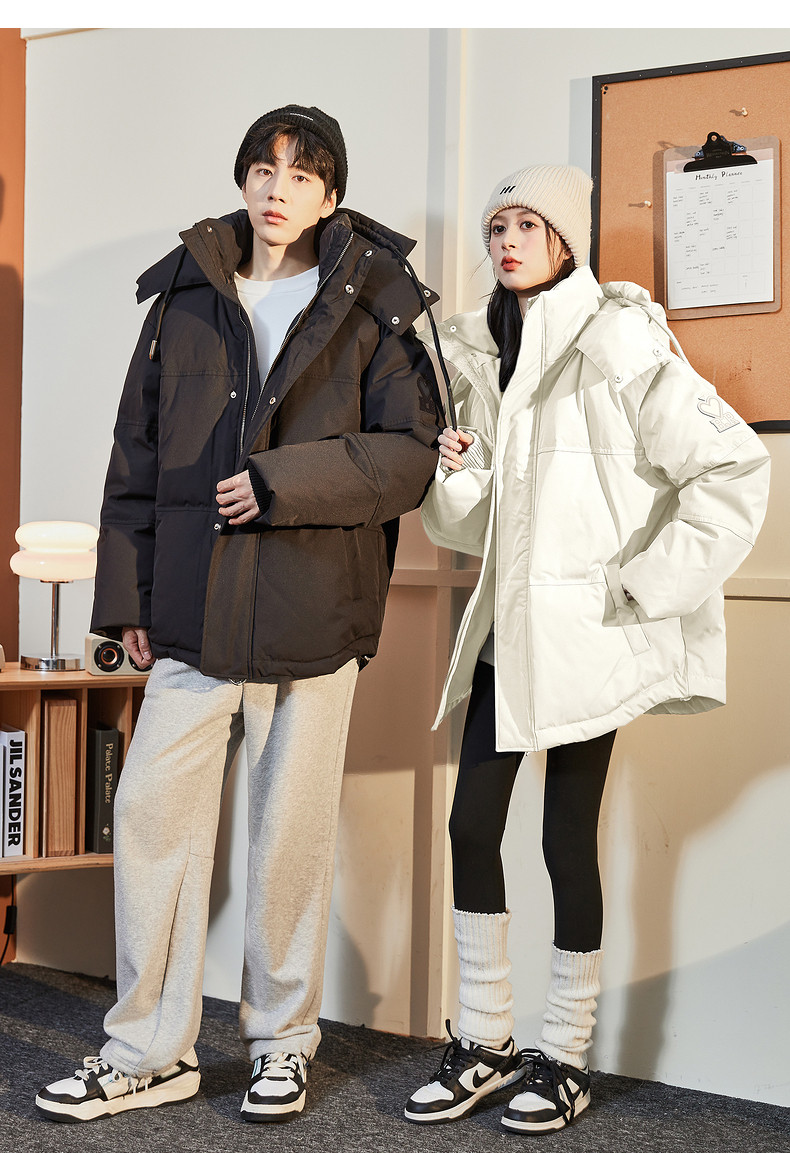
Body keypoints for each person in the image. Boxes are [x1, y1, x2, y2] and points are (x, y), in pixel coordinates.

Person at [35, 104, 443, 1125]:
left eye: (301, 174)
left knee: (287, 839)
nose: (276, 188)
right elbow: (135, 455)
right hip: (193, 610)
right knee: (150, 819)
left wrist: (277, 482)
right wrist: (127, 598)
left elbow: (409, 456)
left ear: (330, 195)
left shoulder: (375, 296)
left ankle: (282, 1044)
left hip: (313, 608)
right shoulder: (185, 292)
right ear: (243, 178)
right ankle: (146, 1050)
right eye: (263, 168)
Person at [404, 164, 770, 1133]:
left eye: (528, 225)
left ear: (566, 241)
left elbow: (734, 465)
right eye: (497, 227)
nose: (507, 242)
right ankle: (484, 1040)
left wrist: (645, 586)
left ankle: (563, 1057)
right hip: (509, 633)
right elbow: (471, 529)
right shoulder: (483, 350)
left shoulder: (619, 340)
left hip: (590, 640)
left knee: (565, 838)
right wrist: (460, 472)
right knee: (470, 828)